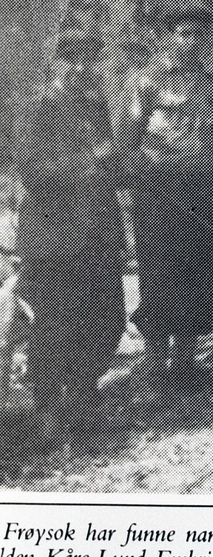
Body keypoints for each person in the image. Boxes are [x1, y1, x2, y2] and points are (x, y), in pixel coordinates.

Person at [15, 28, 125, 423]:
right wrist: (80, 167)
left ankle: (84, 388)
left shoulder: (96, 107)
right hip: (53, 229)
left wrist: (114, 164)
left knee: (105, 312)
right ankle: (45, 404)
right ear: (55, 64)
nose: (79, 68)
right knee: (52, 316)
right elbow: (28, 168)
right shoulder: (38, 109)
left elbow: (112, 162)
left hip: (97, 224)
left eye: (87, 59)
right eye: (70, 59)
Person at [120, 4, 213, 382]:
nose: (192, 41)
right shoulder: (148, 83)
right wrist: (137, 182)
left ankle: (184, 357)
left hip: (203, 186)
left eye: (200, 34)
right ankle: (153, 359)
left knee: (204, 267)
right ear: (170, 38)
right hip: (160, 189)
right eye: (185, 33)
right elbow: (129, 139)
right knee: (160, 270)